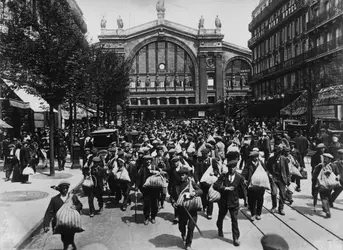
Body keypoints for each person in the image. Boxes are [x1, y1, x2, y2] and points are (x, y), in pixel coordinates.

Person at [213, 160, 245, 247]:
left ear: (236, 167)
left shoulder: (239, 177)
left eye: (234, 167)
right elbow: (215, 186)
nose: (232, 169)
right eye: (230, 168)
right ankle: (220, 228)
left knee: (234, 220)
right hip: (223, 202)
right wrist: (225, 188)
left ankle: (235, 238)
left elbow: (242, 190)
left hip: (234, 202)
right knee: (221, 217)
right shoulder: (223, 176)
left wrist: (244, 197)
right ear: (228, 168)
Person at [43, 181, 83, 250]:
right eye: (63, 188)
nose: (65, 190)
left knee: (69, 240)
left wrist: (76, 207)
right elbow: (49, 212)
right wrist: (46, 225)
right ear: (60, 189)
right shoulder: (54, 200)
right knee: (64, 239)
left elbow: (79, 205)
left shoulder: (72, 197)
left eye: (66, 188)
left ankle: (69, 247)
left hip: (71, 223)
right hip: (60, 224)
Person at [172, 167, 203, 250]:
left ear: (186, 175)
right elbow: (173, 196)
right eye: (180, 175)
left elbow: (200, 191)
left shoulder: (191, 183)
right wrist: (174, 203)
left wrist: (194, 193)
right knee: (182, 226)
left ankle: (188, 244)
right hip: (182, 210)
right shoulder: (176, 185)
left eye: (183, 175)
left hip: (192, 209)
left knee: (191, 227)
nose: (181, 177)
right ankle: (183, 233)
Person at [137, 155, 163, 225]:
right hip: (146, 189)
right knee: (146, 204)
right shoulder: (143, 168)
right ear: (145, 161)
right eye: (147, 160)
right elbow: (139, 178)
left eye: (149, 160)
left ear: (151, 161)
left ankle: (153, 217)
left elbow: (160, 176)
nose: (148, 161)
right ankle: (146, 217)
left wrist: (158, 172)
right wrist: (137, 187)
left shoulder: (155, 167)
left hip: (155, 189)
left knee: (155, 204)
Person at [242, 151, 266, 221]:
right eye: (253, 157)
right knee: (251, 200)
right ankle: (253, 214)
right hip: (251, 184)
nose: (254, 158)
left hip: (260, 184)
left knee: (260, 199)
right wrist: (244, 179)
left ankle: (258, 214)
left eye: (256, 157)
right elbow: (244, 173)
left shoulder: (261, 163)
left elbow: (265, 171)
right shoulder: (248, 164)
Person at [266, 145, 290, 215]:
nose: (278, 155)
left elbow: (287, 171)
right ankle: (274, 206)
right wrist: (269, 174)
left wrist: (288, 180)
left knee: (283, 194)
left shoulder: (284, 159)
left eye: (279, 153)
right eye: (276, 153)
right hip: (273, 178)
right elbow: (267, 168)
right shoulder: (271, 159)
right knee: (274, 193)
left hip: (282, 179)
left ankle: (281, 208)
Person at [312, 153, 335, 217]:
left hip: (329, 184)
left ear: (330, 160)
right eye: (324, 157)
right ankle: (326, 210)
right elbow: (315, 174)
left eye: (326, 158)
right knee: (324, 197)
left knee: (325, 197)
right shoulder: (320, 166)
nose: (325, 159)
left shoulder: (333, 166)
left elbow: (337, 174)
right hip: (321, 184)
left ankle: (326, 209)